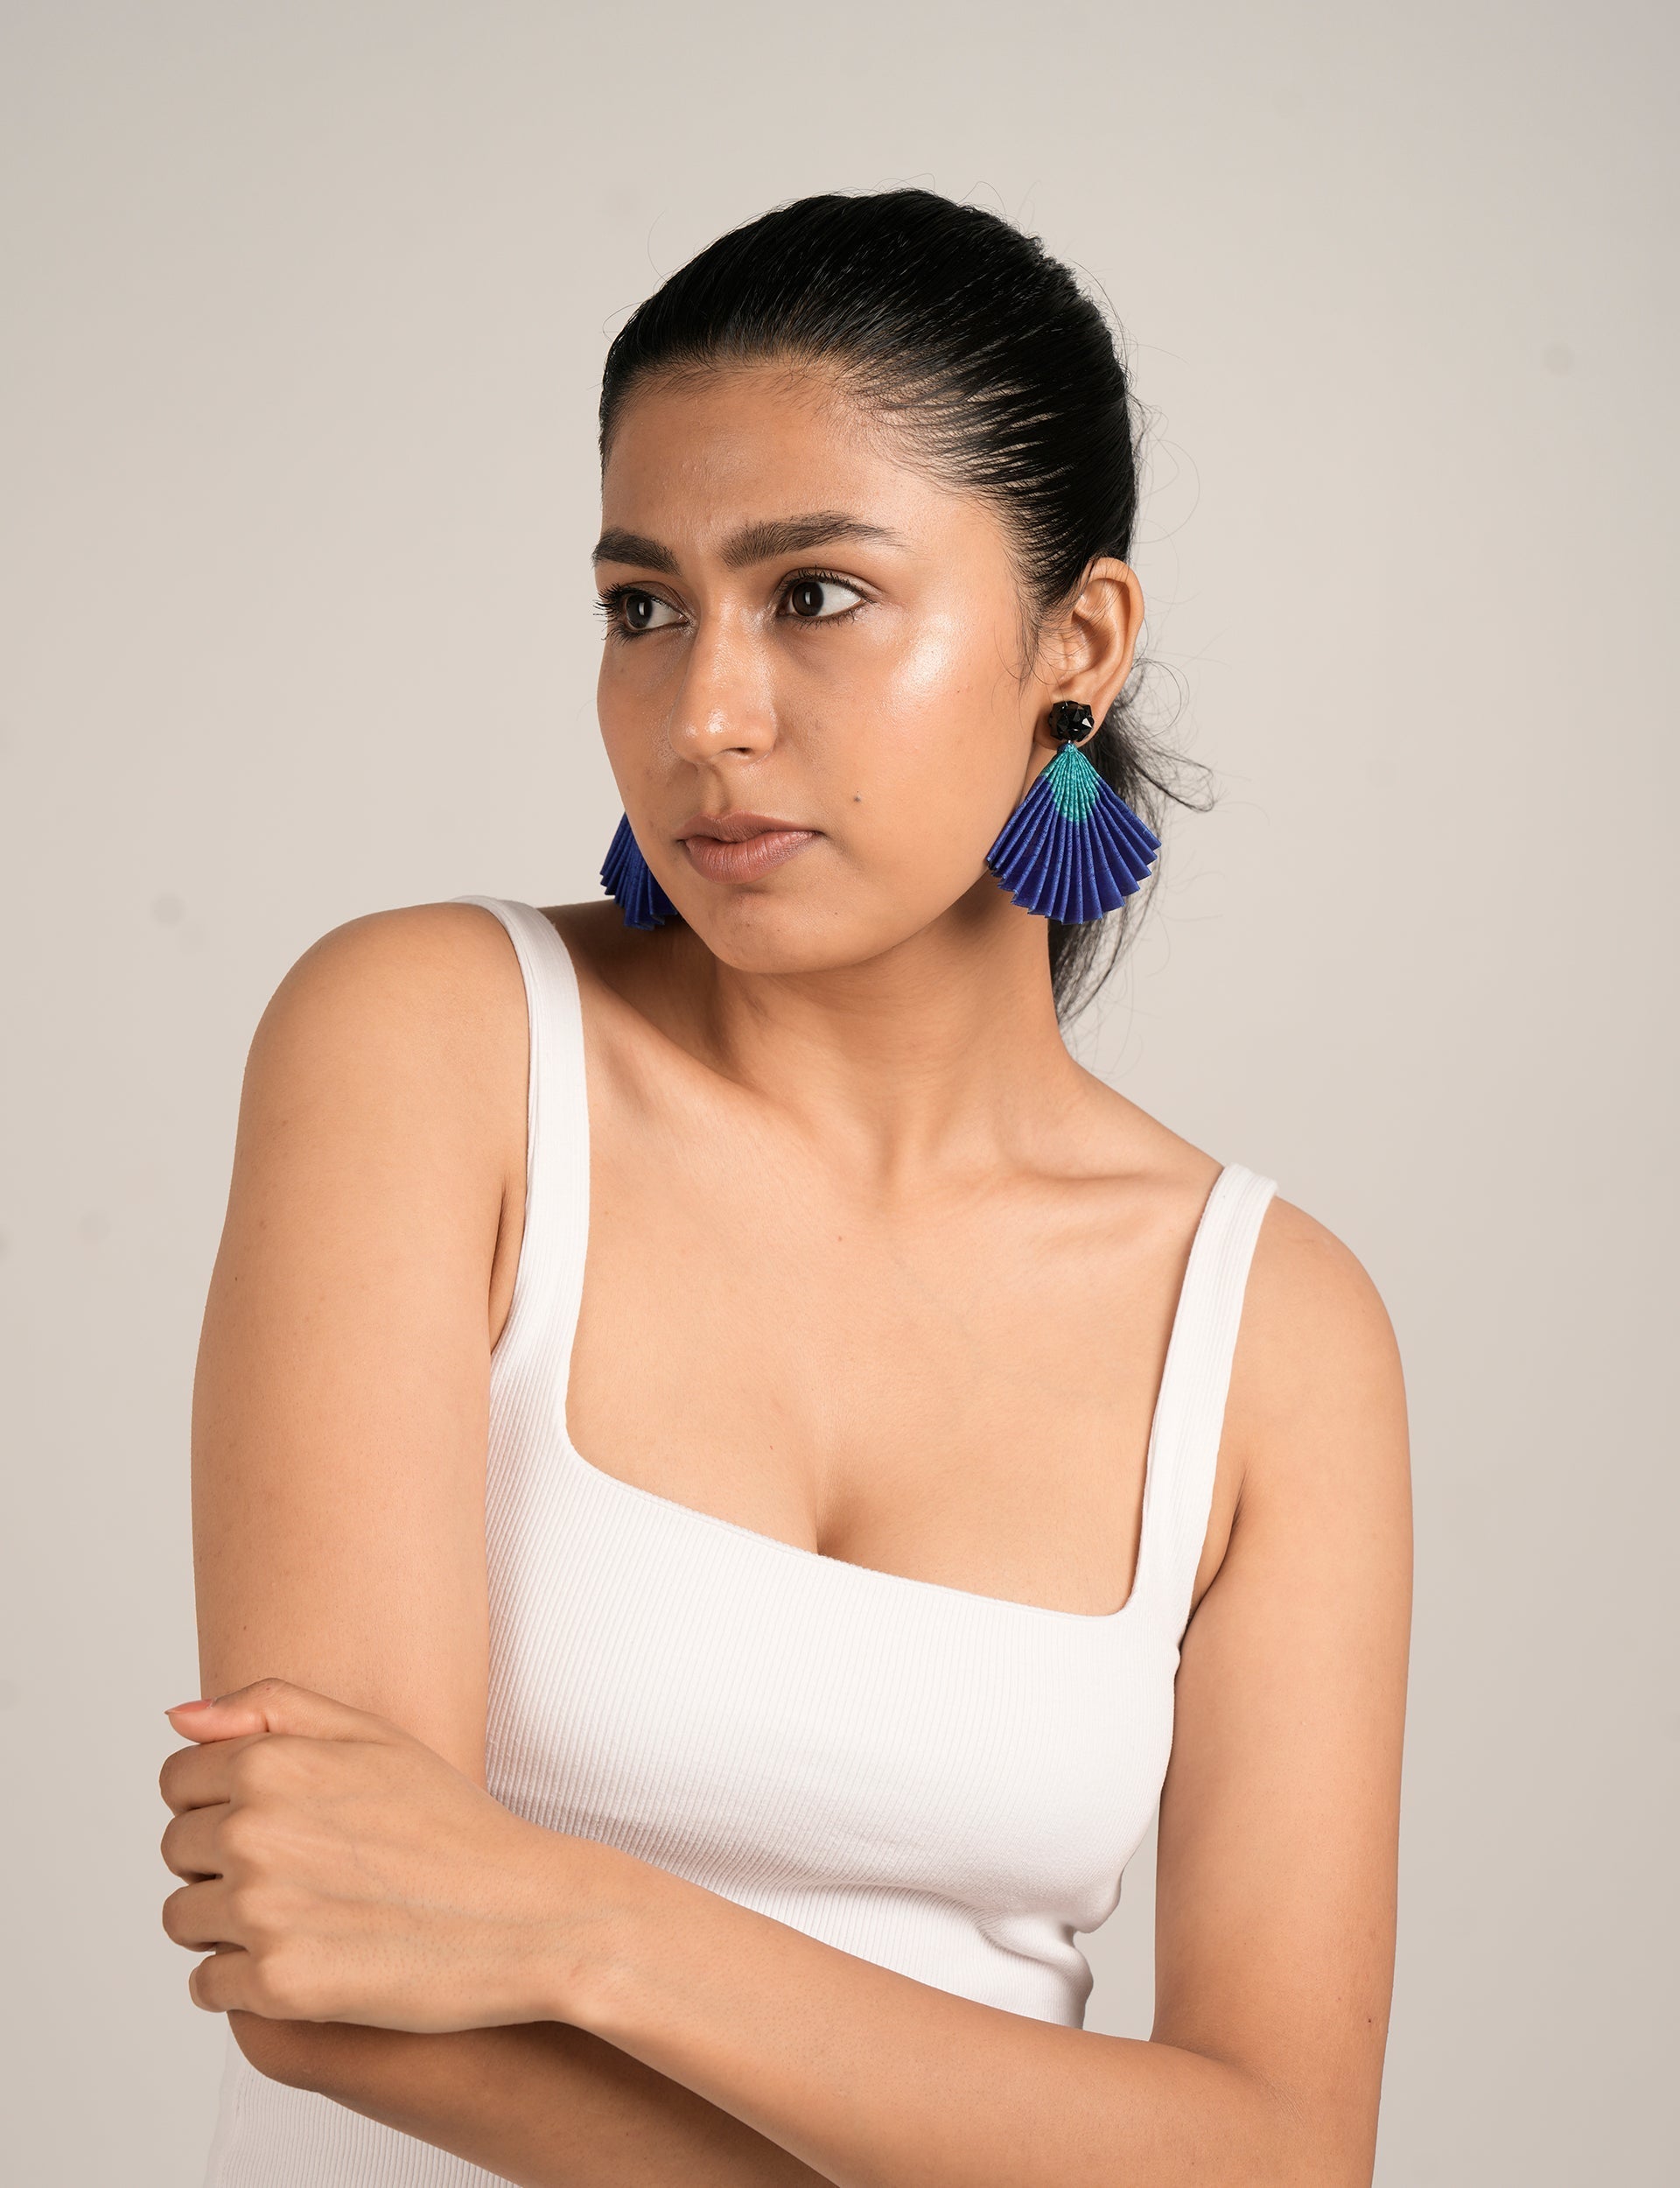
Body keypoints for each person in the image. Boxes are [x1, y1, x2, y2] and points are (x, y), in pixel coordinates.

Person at [158, 187, 1412, 2188]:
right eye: (642, 607)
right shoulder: (434, 1045)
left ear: (1078, 642)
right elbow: (319, 1960)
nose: (705, 715)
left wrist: (586, 1923)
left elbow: (1282, 2152)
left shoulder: (1272, 1328)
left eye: (815, 593)